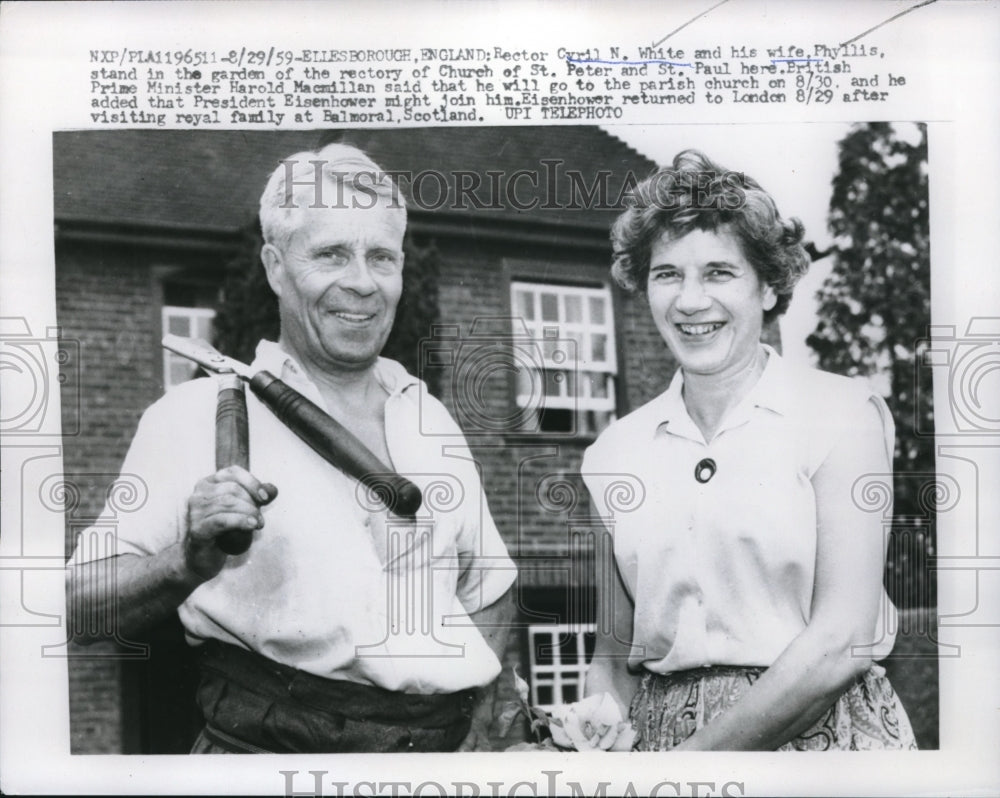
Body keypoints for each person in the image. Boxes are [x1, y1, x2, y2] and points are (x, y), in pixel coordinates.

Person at [67, 142, 517, 754]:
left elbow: (489, 590)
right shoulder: (190, 417)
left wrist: (475, 721)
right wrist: (186, 560)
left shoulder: (430, 416)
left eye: (381, 257)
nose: (361, 282)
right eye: (331, 253)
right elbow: (77, 606)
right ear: (276, 266)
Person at [581, 150, 917, 751]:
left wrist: (685, 772)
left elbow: (841, 641)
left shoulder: (842, 416)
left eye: (718, 273)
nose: (689, 300)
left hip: (826, 743)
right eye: (667, 274)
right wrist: (595, 726)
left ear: (767, 287)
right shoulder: (612, 453)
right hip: (660, 752)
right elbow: (614, 653)